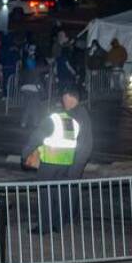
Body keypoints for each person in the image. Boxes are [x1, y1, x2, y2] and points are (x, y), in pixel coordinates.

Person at [22, 87, 93, 232]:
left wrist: (25, 154)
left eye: (64, 99)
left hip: (51, 162)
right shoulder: (73, 120)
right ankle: (58, 223)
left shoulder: (54, 119)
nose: (63, 102)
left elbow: (37, 137)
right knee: (58, 193)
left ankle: (44, 226)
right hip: (65, 162)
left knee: (46, 194)